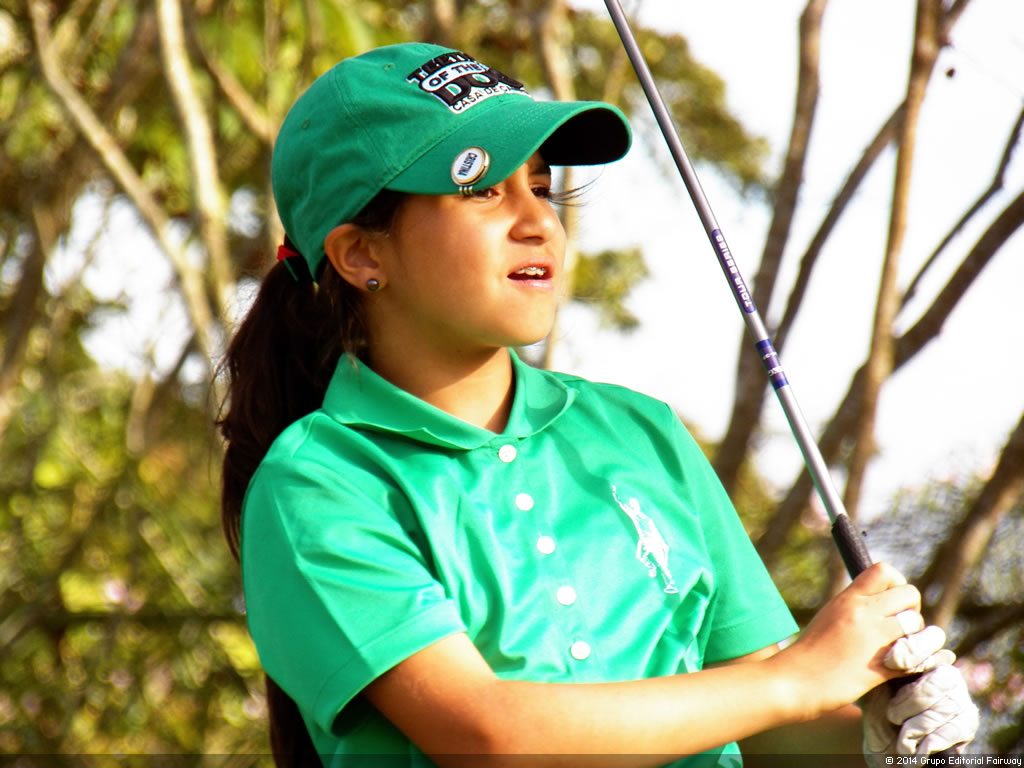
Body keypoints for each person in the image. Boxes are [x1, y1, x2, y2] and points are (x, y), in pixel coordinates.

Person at [217, 42, 978, 768]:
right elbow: (488, 739)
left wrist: (877, 738)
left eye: (542, 188)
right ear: (361, 254)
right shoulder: (317, 483)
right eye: (482, 189)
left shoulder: (642, 433)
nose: (537, 222)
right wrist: (798, 680)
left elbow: (768, 731)